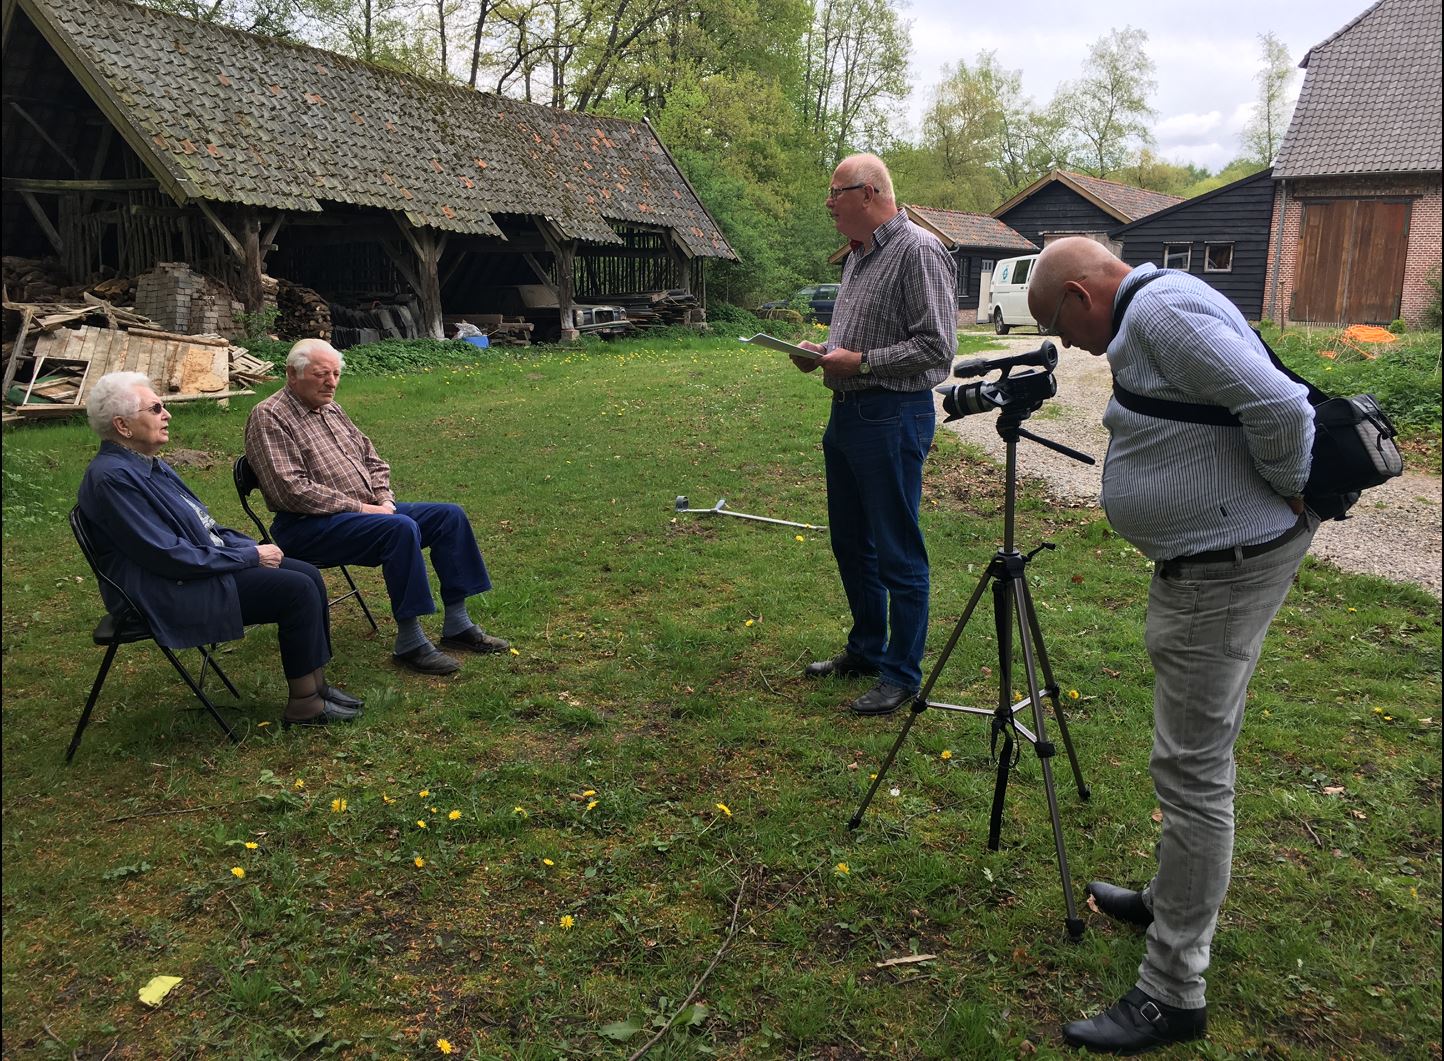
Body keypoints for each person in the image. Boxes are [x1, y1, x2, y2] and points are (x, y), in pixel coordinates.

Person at [1026, 237, 1318, 1054]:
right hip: (1209, 559)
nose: (1070, 344)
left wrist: (1289, 486)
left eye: (1059, 324)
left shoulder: (1155, 313)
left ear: (1083, 296)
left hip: (1224, 565)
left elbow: (1281, 405)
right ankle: (1168, 895)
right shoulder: (1162, 304)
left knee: (1192, 774)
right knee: (1193, 759)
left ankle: (1172, 986)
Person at [77, 372, 362, 728]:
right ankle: (304, 703)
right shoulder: (113, 479)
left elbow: (204, 524)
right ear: (122, 425)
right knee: (297, 590)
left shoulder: (148, 464)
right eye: (156, 408)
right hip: (163, 589)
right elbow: (166, 555)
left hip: (192, 569)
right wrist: (248, 557)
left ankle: (317, 686)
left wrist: (249, 546)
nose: (167, 414)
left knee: (304, 571)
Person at [790, 153, 958, 717]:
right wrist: (821, 356)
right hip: (848, 415)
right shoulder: (857, 257)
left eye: (836, 192)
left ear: (869, 193)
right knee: (850, 541)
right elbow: (854, 340)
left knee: (896, 549)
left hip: (893, 414)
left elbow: (937, 348)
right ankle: (865, 649)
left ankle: (902, 674)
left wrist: (858, 363)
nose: (829, 203)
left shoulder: (919, 250)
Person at [244, 339, 507, 676]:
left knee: (448, 516)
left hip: (365, 513)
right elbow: (290, 490)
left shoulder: (331, 409)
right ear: (292, 375)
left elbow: (372, 460)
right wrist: (364, 510)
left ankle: (457, 624)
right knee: (399, 528)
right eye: (322, 374)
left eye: (336, 374)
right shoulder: (269, 416)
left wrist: (383, 499)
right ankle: (410, 642)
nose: (332, 382)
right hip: (306, 526)